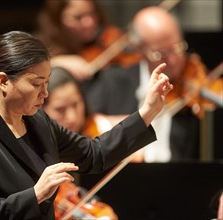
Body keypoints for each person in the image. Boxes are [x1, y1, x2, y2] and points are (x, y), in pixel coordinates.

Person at [0, 30, 173, 219]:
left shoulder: (37, 119)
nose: (45, 93)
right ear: (3, 81)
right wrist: (35, 195)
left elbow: (94, 154)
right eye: (36, 84)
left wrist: (148, 111)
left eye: (47, 82)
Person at [86, 6, 222, 162]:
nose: (173, 60)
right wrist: (109, 125)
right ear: (139, 50)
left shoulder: (195, 90)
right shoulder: (113, 82)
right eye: (160, 54)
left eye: (177, 48)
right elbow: (86, 122)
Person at [35, 0, 140, 81]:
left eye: (92, 13)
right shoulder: (42, 46)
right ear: (57, 19)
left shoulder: (109, 37)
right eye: (78, 17)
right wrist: (56, 62)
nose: (89, 22)